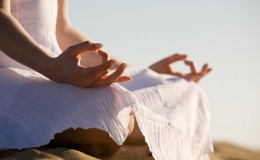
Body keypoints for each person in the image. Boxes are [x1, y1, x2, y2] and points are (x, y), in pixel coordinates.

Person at [0, 0, 212, 159]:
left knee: (185, 91)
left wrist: (135, 73)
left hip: (58, 68)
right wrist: (51, 67)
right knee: (109, 110)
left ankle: (137, 144)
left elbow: (62, 30)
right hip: (13, 74)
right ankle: (144, 145)